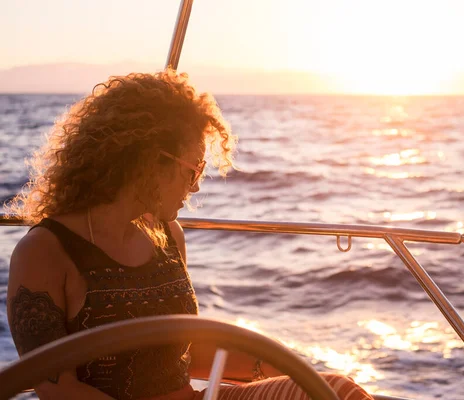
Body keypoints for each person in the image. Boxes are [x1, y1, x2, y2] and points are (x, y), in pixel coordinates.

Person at [6, 70, 374, 400]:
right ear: (150, 160)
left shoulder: (167, 235)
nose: (195, 187)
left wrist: (288, 372)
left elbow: (184, 351)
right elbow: (56, 388)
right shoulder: (45, 252)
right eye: (192, 169)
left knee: (339, 392)